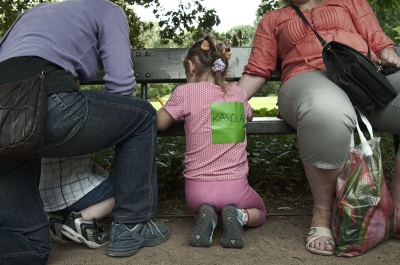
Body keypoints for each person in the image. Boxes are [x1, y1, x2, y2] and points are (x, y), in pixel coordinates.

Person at [0, 0, 169, 264]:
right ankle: (132, 226)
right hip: (46, 101)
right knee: (142, 116)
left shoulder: (31, 14)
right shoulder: (106, 10)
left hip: (3, 120)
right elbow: (121, 85)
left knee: (29, 246)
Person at [237, 0, 400, 256]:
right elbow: (259, 68)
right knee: (324, 109)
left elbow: (379, 41)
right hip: (307, 77)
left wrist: (388, 51)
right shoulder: (273, 19)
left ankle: (396, 212)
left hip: (364, 78)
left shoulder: (349, 2)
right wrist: (227, 100)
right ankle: (323, 215)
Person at [157, 34, 266, 249]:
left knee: (203, 210)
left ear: (190, 66)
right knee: (261, 212)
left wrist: (166, 107)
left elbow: (160, 123)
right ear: (223, 67)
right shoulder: (238, 94)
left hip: (196, 192)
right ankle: (238, 215)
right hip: (235, 189)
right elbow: (249, 114)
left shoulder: (185, 92)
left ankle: (206, 216)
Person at [40, 155, 115, 249]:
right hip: (76, 190)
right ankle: (83, 219)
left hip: (43, 198)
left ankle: (57, 218)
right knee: (134, 188)